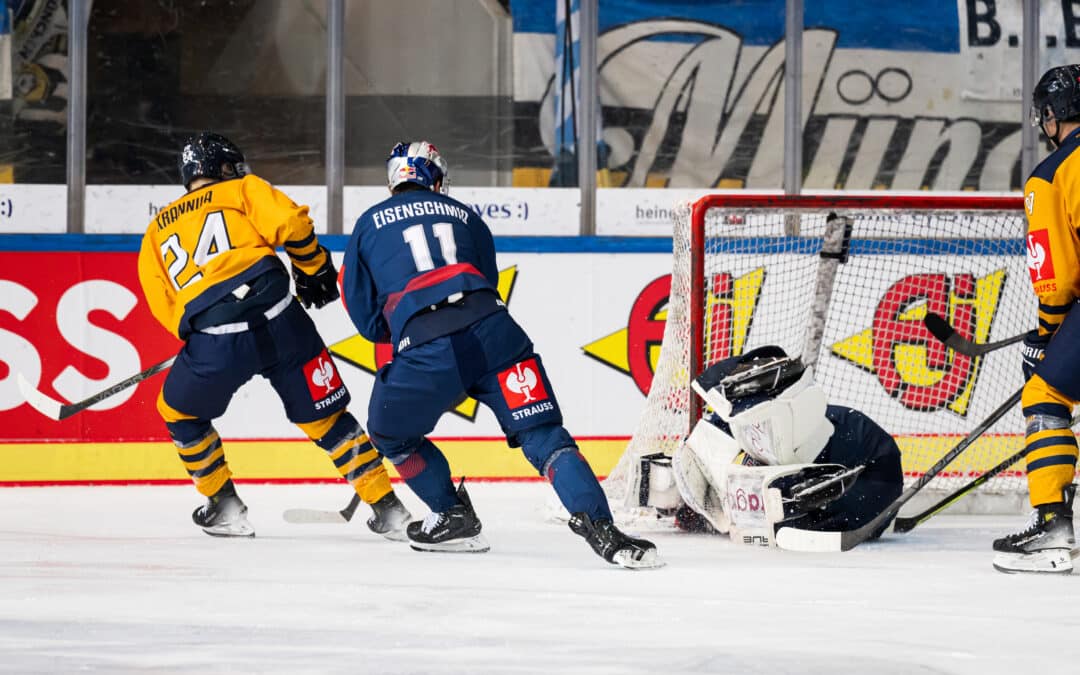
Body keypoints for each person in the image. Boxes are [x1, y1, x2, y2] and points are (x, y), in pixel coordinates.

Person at [338, 140, 661, 568]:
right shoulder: (466, 215)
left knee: (389, 434)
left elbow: (362, 311)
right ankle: (604, 530)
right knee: (544, 435)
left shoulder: (367, 222)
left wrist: (401, 329)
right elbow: (487, 282)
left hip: (427, 344)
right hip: (497, 334)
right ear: (432, 176)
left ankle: (451, 515)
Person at [137, 131, 411, 539]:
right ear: (225, 168)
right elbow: (290, 223)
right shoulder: (242, 189)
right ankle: (389, 510)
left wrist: (194, 334)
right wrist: (312, 267)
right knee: (328, 419)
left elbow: (162, 302)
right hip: (283, 319)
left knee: (179, 413)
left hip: (217, 337)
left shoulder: (156, 230)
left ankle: (224, 505)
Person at [666, 346, 903, 546]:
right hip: (854, 469)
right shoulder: (736, 424)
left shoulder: (850, 443)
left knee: (783, 513)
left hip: (873, 474)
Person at [991, 65, 1080, 574]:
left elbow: (1059, 277)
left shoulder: (1051, 173)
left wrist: (1044, 337)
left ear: (1052, 115)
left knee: (1045, 395)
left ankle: (1052, 530)